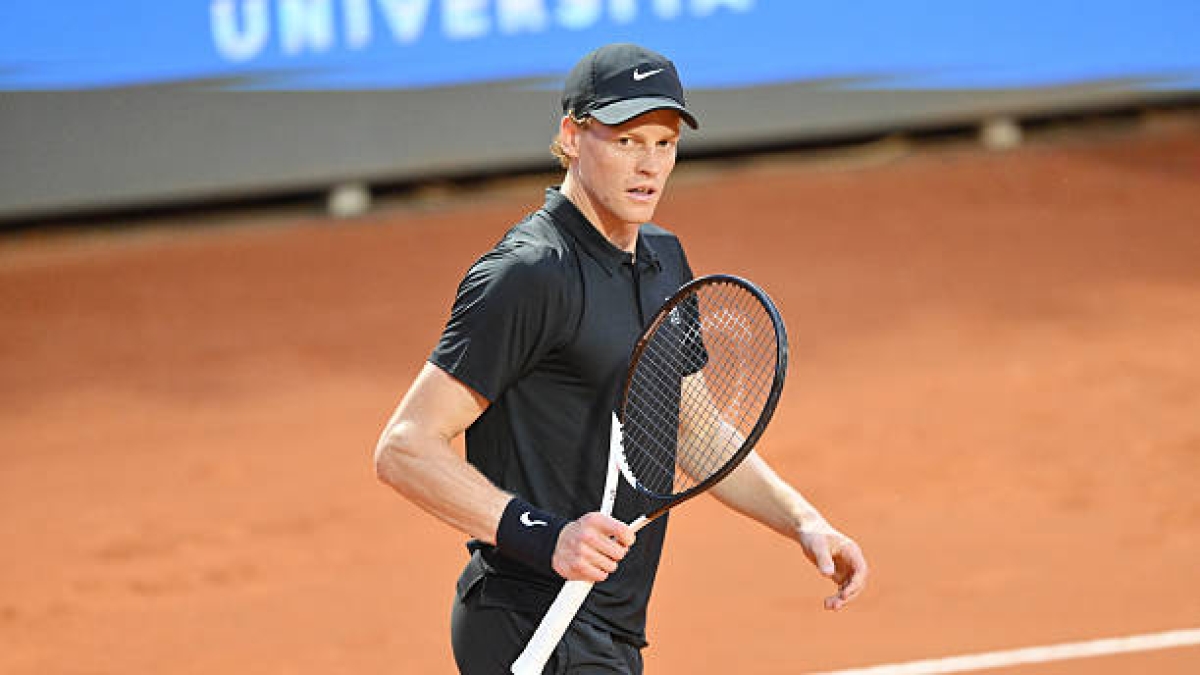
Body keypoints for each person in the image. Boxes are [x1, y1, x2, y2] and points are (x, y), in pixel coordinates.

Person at [374, 43, 868, 674]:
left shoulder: (664, 261)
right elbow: (405, 448)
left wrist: (803, 521)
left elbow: (691, 428)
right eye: (627, 141)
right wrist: (547, 537)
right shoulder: (530, 274)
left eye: (664, 144)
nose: (649, 165)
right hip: (533, 620)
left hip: (608, 626)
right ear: (571, 137)